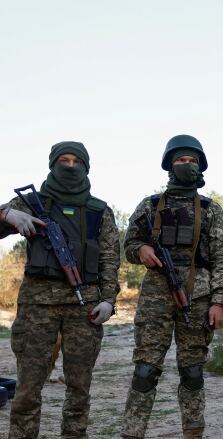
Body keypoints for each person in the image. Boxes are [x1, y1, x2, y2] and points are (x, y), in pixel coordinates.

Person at [1, 141, 120, 438]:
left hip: (85, 308)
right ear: (52, 164)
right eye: (63, 161)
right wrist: (6, 216)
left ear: (86, 166)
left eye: (75, 161)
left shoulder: (99, 211)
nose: (69, 166)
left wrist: (108, 301)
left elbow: (109, 259)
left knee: (79, 389)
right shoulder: (30, 203)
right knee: (28, 388)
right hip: (37, 307)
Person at [121, 134, 223, 439]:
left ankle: (193, 432)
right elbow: (128, 245)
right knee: (145, 370)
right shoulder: (151, 205)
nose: (187, 164)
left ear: (200, 166)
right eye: (181, 159)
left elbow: (222, 258)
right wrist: (141, 250)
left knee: (193, 372)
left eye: (192, 160)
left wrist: (218, 301)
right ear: (170, 164)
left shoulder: (211, 210)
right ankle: (132, 432)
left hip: (198, 298)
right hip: (156, 298)